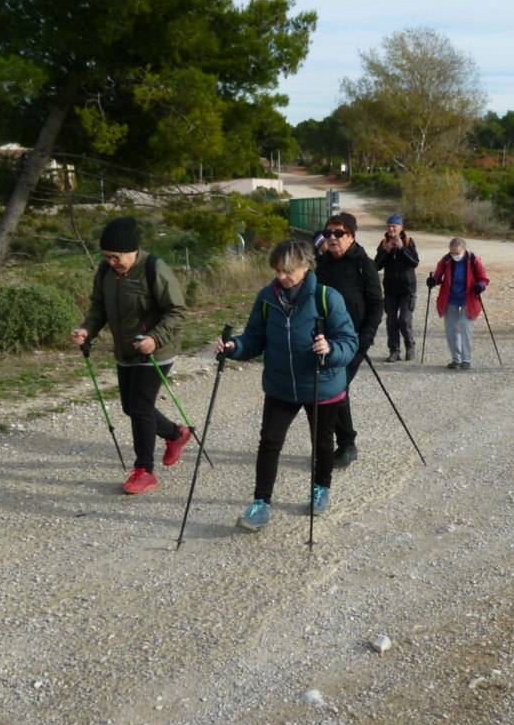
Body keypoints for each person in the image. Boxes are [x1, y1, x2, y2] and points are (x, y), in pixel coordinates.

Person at [217, 239, 358, 532]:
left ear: (306, 266)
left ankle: (321, 489)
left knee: (321, 443)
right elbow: (255, 338)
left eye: (287, 270)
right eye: (277, 270)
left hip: (322, 384)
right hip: (281, 385)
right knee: (269, 443)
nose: (281, 276)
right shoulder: (267, 297)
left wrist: (330, 349)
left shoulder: (326, 297)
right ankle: (261, 503)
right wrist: (235, 346)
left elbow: (349, 341)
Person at [71, 216, 192, 494]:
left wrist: (154, 338)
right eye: (106, 257)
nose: (110, 262)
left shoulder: (153, 269)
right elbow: (98, 307)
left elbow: (178, 311)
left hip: (156, 351)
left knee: (139, 407)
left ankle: (144, 471)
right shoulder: (105, 272)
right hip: (125, 350)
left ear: (132, 250)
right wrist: (86, 330)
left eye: (115, 257)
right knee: (131, 406)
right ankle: (177, 434)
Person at [315, 212, 384, 468]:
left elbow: (377, 304)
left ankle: (347, 445)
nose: (332, 238)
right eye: (328, 233)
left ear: (351, 236)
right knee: (326, 391)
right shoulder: (322, 263)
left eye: (338, 233)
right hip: (325, 339)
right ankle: (336, 443)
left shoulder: (364, 264)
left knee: (338, 390)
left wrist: (365, 338)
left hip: (353, 341)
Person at [425, 237, 489, 370]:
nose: (455, 255)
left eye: (457, 253)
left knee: (465, 327)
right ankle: (456, 359)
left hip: (468, 298)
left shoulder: (473, 259)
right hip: (450, 298)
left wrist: (480, 286)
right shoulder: (446, 260)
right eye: (452, 253)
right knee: (451, 329)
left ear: (464, 250)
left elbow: (483, 278)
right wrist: (433, 281)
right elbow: (438, 276)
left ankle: (466, 360)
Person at [374, 212, 420, 362]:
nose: (391, 229)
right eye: (389, 226)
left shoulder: (408, 241)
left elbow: (414, 262)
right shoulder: (383, 243)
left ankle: (410, 346)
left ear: (401, 227)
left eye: (394, 226)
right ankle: (394, 350)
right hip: (390, 290)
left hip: (407, 290)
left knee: (404, 320)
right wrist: (385, 251)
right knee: (391, 321)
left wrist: (402, 249)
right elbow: (376, 266)